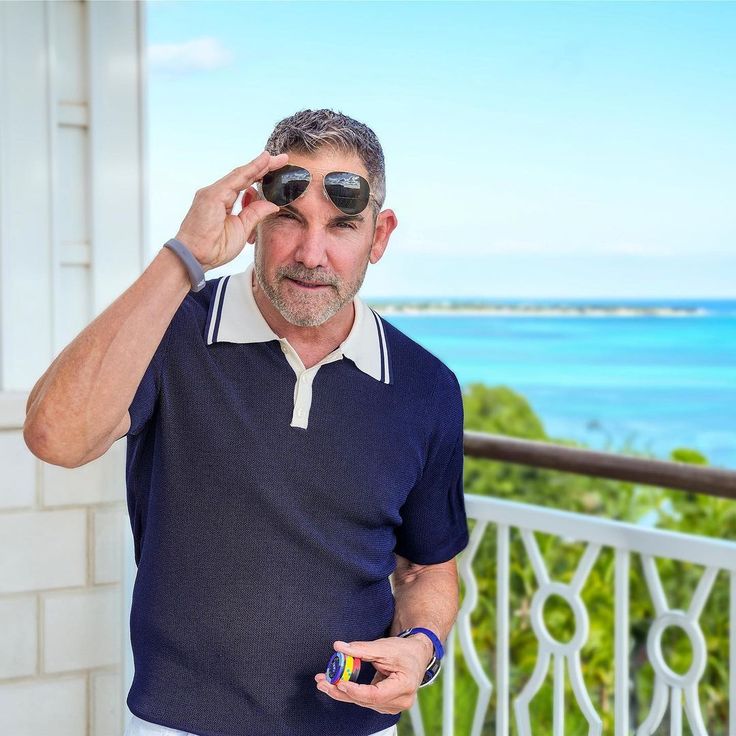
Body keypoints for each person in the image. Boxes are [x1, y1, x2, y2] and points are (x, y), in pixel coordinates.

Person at [23, 109, 470, 736]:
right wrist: (185, 258)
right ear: (252, 215)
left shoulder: (426, 387)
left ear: (380, 234)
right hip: (178, 725)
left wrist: (422, 647)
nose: (312, 254)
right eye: (288, 218)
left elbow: (427, 568)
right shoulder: (172, 328)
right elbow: (57, 437)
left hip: (352, 727)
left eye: (342, 226)